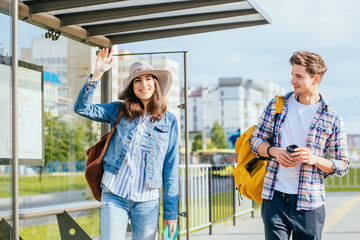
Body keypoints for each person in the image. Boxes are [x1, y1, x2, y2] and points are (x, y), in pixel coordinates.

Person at [74, 48, 179, 240]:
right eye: (137, 80)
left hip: (148, 200)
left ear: (155, 84)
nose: (143, 84)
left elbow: (170, 168)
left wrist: (171, 214)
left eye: (148, 79)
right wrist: (98, 73)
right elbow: (82, 108)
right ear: (132, 86)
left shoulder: (169, 121)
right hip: (115, 194)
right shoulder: (119, 110)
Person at [250, 51, 349, 240]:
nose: (292, 81)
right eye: (292, 75)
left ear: (315, 79)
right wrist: (274, 152)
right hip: (274, 197)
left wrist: (314, 159)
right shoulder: (276, 106)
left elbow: (342, 165)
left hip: (310, 203)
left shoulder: (332, 118)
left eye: (299, 76)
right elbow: (255, 141)